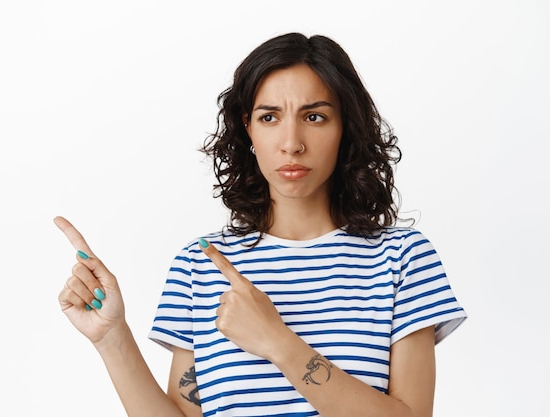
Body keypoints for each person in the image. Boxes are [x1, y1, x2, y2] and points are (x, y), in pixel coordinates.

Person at [55, 32, 467, 417]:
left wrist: (278, 342)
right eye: (270, 117)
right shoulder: (200, 266)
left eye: (315, 117)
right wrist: (112, 338)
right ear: (247, 128)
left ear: (346, 128)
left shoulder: (402, 258)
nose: (291, 142)